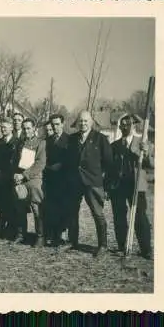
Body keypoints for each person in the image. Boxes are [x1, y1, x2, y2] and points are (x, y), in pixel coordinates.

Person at [65, 110, 113, 257]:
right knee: (72, 212)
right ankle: (73, 242)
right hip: (75, 182)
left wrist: (103, 180)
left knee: (97, 213)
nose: (83, 123)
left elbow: (108, 162)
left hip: (93, 182)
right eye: (80, 121)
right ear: (77, 123)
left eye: (86, 121)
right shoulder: (72, 139)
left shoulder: (100, 139)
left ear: (91, 122)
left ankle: (102, 246)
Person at [107, 114, 153, 259]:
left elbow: (152, 165)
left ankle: (146, 249)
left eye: (129, 124)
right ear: (120, 127)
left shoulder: (143, 144)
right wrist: (108, 187)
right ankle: (122, 246)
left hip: (136, 186)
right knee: (119, 217)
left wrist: (145, 154)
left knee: (140, 217)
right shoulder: (114, 146)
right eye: (123, 124)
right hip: (118, 186)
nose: (126, 127)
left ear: (134, 126)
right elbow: (109, 168)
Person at [12, 118, 46, 246]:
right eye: (24, 128)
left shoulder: (41, 143)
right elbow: (16, 160)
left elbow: (40, 163)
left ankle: (40, 236)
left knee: (36, 208)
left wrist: (25, 175)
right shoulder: (20, 143)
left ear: (34, 129)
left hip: (34, 179)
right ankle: (21, 234)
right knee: (19, 207)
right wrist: (16, 173)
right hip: (20, 179)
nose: (26, 131)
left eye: (29, 128)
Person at [0, 117, 20, 239]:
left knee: (13, 204)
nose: (3, 129)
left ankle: (13, 230)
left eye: (5, 127)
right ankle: (1, 229)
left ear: (11, 128)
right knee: (1, 203)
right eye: (2, 127)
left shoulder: (18, 142)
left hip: (13, 177)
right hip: (1, 177)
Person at [44, 114, 70, 247]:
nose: (55, 127)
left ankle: (62, 235)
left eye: (58, 124)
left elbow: (72, 158)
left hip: (64, 179)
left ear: (63, 124)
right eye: (53, 124)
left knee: (63, 208)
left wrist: (61, 165)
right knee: (51, 208)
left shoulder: (69, 140)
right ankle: (52, 234)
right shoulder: (47, 140)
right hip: (50, 178)